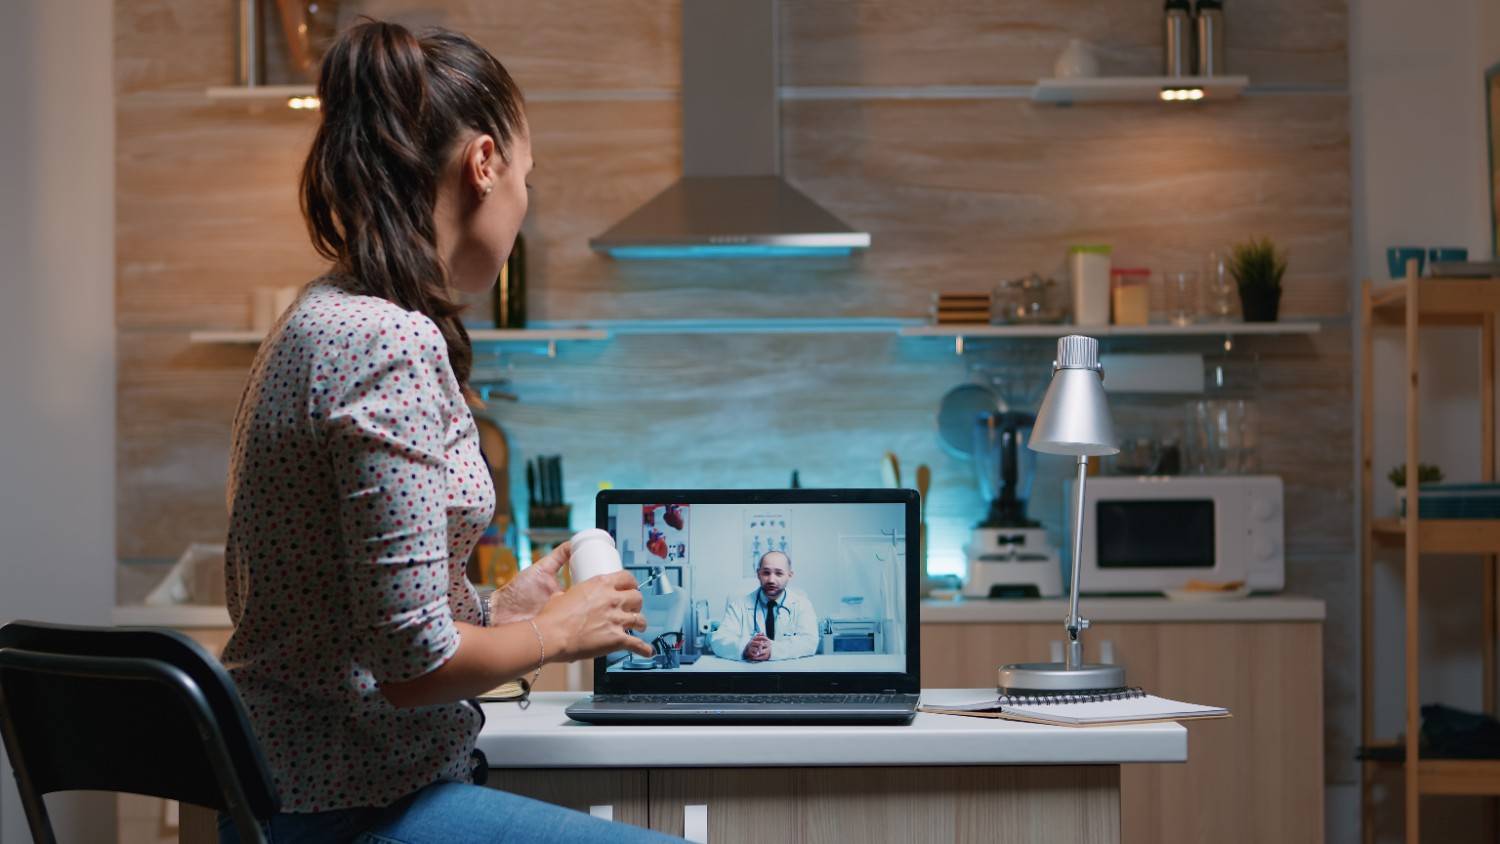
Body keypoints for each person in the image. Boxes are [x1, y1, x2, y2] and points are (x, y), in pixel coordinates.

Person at [218, 20, 678, 844]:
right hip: (350, 805)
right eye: (527, 178)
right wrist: (554, 634)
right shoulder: (385, 339)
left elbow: (368, 624)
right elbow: (409, 669)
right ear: (484, 164)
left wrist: (497, 612)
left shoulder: (320, 315)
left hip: (302, 795)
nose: (523, 206)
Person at [710, 551, 820, 662]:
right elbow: (719, 640)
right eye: (766, 573)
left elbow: (809, 642)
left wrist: (773, 650)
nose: (771, 580)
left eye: (779, 573)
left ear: (789, 575)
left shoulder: (802, 605)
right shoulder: (738, 606)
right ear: (758, 574)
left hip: (789, 673)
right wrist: (745, 647)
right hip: (749, 673)